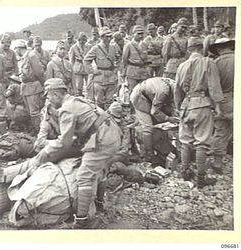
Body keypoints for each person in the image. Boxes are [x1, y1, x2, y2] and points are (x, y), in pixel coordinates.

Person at [30, 78, 121, 228]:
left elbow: (64, 143)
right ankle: (99, 204)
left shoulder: (66, 109)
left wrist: (45, 150)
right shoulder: (76, 100)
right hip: (112, 134)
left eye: (49, 96)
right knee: (101, 169)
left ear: (56, 95)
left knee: (83, 177)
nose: (48, 100)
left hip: (102, 140)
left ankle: (82, 220)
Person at [174, 37, 223, 188]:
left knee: (185, 141)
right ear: (202, 48)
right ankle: (201, 178)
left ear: (188, 50)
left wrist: (178, 107)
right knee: (202, 141)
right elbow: (214, 87)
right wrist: (218, 107)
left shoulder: (181, 65)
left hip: (185, 105)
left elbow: (177, 90)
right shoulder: (209, 62)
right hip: (202, 104)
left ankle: (185, 172)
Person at [130, 77, 178, 161]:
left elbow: (170, 102)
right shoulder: (163, 91)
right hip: (139, 97)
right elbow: (155, 111)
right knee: (148, 126)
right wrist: (169, 118)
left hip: (149, 95)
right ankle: (149, 153)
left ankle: (158, 143)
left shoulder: (173, 85)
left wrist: (174, 112)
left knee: (159, 121)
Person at [209, 38, 234, 174]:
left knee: (220, 131)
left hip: (223, 100)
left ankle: (217, 163)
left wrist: (215, 105)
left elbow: (213, 86)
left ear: (219, 49)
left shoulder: (216, 63)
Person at [83, 26, 118, 109]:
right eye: (107, 36)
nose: (109, 38)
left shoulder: (113, 47)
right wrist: (92, 71)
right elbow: (86, 60)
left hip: (111, 77)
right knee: (99, 101)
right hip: (100, 78)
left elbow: (118, 59)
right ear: (102, 37)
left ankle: (110, 118)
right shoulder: (96, 48)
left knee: (110, 101)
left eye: (110, 36)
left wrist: (116, 69)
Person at [20, 36, 48, 135]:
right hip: (26, 87)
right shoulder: (25, 57)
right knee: (30, 112)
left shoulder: (32, 56)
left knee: (35, 112)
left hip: (33, 87)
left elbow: (39, 72)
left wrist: (43, 85)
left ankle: (38, 131)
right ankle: (33, 129)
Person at [122, 25, 151, 91]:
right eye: (138, 33)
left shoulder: (145, 44)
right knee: (132, 91)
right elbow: (124, 59)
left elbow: (147, 58)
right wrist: (124, 72)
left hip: (143, 71)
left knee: (144, 91)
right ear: (133, 34)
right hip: (132, 71)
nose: (140, 36)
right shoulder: (128, 45)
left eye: (142, 34)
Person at [69, 32, 90, 96]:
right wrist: (71, 69)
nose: (83, 42)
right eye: (81, 41)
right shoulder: (74, 48)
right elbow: (71, 60)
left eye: (84, 41)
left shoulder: (88, 46)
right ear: (78, 40)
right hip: (78, 69)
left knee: (89, 85)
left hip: (86, 68)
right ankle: (79, 96)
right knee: (79, 86)